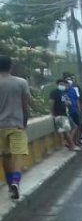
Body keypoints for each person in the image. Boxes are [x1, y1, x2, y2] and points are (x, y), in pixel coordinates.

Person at [0, 55, 32, 199]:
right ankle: (15, 182)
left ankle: (9, 184)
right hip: (17, 124)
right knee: (17, 155)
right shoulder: (21, 83)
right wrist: (24, 122)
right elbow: (25, 105)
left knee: (5, 155)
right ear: (11, 66)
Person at [50, 77, 77, 151]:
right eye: (61, 84)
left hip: (65, 113)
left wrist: (67, 103)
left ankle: (69, 143)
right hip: (59, 114)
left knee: (73, 127)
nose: (63, 85)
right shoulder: (54, 92)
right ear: (58, 84)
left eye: (64, 84)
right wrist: (52, 113)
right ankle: (72, 145)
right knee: (66, 130)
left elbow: (69, 102)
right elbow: (51, 103)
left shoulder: (63, 93)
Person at [64, 73, 82, 148]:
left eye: (70, 80)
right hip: (68, 112)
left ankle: (76, 142)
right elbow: (64, 102)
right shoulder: (63, 92)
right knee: (73, 127)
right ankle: (71, 142)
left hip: (75, 111)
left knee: (78, 126)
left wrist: (79, 109)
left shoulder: (74, 90)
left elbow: (77, 100)